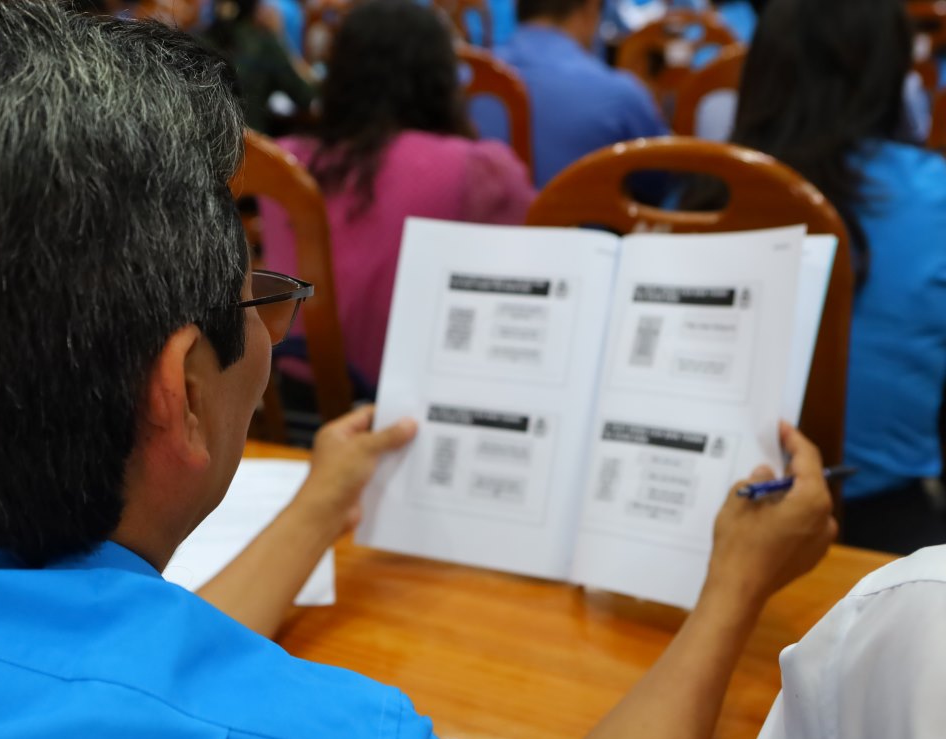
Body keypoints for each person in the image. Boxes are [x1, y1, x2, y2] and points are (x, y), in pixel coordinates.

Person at [0, 1, 836, 739]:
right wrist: (732, 587)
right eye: (259, 295)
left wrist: (322, 503)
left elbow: (81, 666)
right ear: (182, 388)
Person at [708, 0, 946, 554]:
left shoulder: (703, 192)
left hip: (713, 517)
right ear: (891, 72)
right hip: (881, 527)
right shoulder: (933, 195)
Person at [260, 0, 535, 395]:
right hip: (413, 405)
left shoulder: (281, 165)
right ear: (442, 79)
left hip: (289, 399)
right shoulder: (476, 170)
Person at [472, 0, 668, 188]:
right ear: (591, 6)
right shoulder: (621, 94)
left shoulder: (464, 78)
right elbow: (665, 179)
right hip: (578, 222)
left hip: (468, 220)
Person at [201, 0, 314, 134]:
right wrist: (280, 38)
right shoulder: (265, 44)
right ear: (256, 7)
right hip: (249, 148)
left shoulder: (195, 41)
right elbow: (306, 97)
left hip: (199, 146)